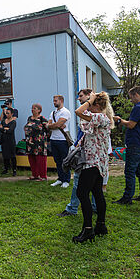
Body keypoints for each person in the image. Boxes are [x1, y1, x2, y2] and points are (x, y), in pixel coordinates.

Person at [72, 91, 114, 243]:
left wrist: (90, 100)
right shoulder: (100, 119)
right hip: (98, 163)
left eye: (91, 104)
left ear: (97, 105)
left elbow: (78, 112)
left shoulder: (100, 117)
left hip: (92, 163)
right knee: (97, 193)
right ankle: (101, 226)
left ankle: (88, 230)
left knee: (82, 193)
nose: (88, 106)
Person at [58, 89, 97, 217]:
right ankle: (90, 207)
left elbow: (79, 113)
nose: (79, 99)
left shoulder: (93, 114)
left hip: (90, 153)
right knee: (86, 182)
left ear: (89, 97)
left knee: (80, 182)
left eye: (81, 96)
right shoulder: (90, 113)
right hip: (85, 150)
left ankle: (73, 209)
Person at [113, 86, 140, 205]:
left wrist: (119, 120)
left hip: (135, 144)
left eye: (131, 97)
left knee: (130, 172)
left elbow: (131, 125)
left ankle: (127, 198)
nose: (131, 100)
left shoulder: (139, 108)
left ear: (136, 95)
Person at [47, 95, 71, 188]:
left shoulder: (65, 112)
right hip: (53, 139)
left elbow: (58, 124)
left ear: (61, 101)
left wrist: (53, 125)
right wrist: (52, 125)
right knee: (57, 161)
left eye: (55, 101)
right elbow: (48, 125)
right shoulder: (53, 112)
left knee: (64, 161)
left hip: (63, 140)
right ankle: (60, 178)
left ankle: (66, 180)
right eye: (53, 101)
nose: (54, 102)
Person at [24, 103, 48, 181]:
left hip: (39, 142)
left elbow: (47, 128)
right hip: (30, 142)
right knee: (32, 158)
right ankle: (35, 175)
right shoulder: (29, 118)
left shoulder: (42, 118)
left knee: (40, 159)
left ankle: (43, 176)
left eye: (34, 108)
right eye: (32, 108)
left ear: (39, 110)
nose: (32, 109)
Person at [0, 107, 17, 176]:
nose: (6, 114)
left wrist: (3, 129)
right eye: (6, 113)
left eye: (8, 113)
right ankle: (6, 169)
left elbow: (10, 131)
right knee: (5, 156)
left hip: (11, 141)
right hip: (4, 140)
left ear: (12, 114)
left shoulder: (13, 122)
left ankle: (14, 170)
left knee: (12, 156)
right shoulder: (3, 121)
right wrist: (4, 129)